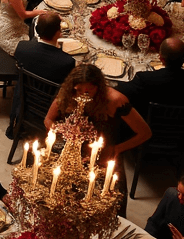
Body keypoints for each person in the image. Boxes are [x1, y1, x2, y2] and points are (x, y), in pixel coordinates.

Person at [44, 64, 151, 213]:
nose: (81, 94)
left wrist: (115, 149)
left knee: (108, 207)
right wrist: (62, 132)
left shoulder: (115, 100)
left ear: (98, 87)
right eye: (78, 90)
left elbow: (145, 133)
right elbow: (48, 119)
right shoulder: (68, 93)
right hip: (73, 154)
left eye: (88, 91)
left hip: (104, 156)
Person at [9, 11, 76, 132]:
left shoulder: (22, 47)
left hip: (23, 98)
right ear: (58, 33)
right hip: (48, 106)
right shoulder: (67, 61)